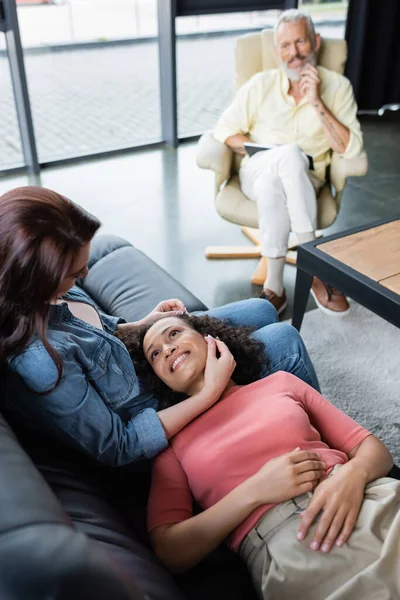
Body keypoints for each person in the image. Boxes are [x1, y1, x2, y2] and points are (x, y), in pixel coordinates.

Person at [0, 185, 319, 467]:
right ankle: (323, 449)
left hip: (133, 366)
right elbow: (120, 446)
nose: (84, 274)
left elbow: (93, 339)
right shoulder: (41, 360)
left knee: (262, 309)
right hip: (151, 411)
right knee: (284, 340)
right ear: (37, 279)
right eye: (74, 273)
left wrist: (143, 325)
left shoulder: (36, 294)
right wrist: (207, 394)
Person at [121, 313, 400, 600]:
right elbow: (169, 550)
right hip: (294, 549)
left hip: (362, 497)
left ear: (207, 336)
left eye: (174, 334)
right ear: (160, 380)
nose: (167, 348)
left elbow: (373, 449)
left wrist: (354, 476)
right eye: (155, 354)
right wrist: (255, 491)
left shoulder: (280, 382)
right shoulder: (171, 449)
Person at [213, 9, 363, 316]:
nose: (293, 53)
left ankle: (275, 288)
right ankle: (317, 267)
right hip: (256, 170)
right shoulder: (260, 84)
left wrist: (316, 101)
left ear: (316, 42)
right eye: (285, 45)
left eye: (301, 42)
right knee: (282, 158)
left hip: (307, 178)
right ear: (276, 50)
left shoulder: (338, 87)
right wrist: (263, 152)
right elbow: (224, 130)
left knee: (283, 168)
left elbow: (350, 148)